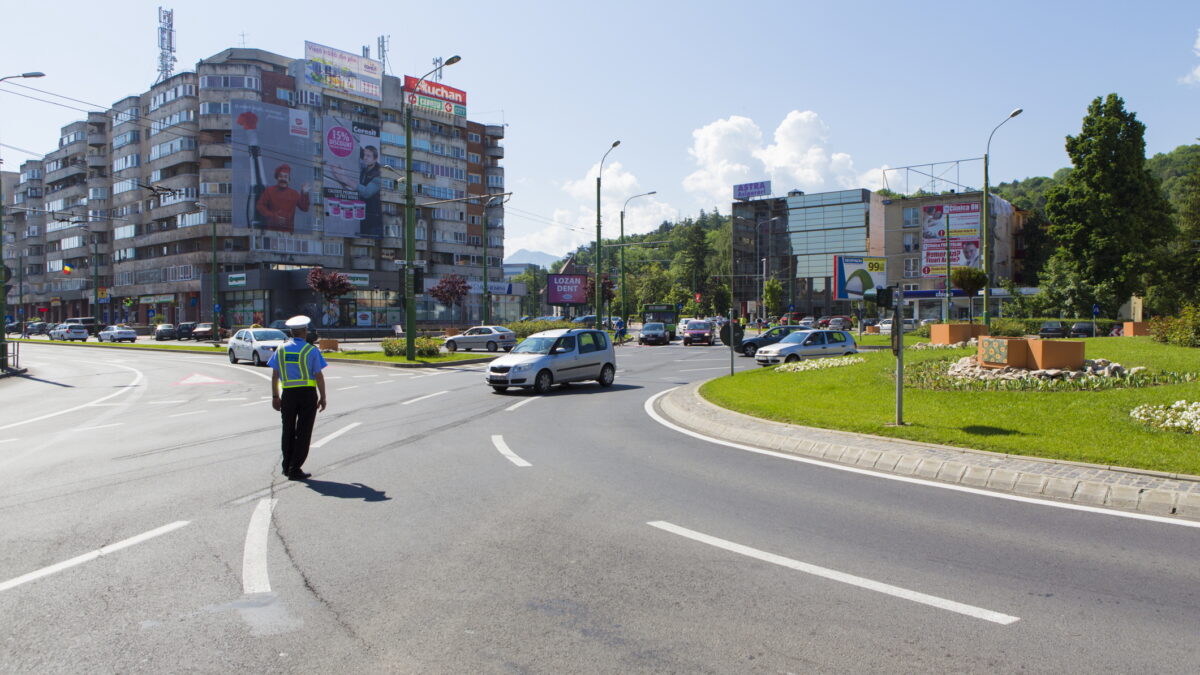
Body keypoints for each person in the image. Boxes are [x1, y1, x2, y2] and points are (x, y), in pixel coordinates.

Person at [268, 315, 328, 480]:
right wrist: (323, 397)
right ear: (305, 332)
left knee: (287, 430)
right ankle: (295, 468)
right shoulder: (311, 350)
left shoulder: (281, 350)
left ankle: (286, 466)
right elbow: (319, 376)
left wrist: (275, 396)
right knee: (303, 431)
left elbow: (274, 376)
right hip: (307, 395)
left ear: (291, 332)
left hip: (288, 395)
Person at [255, 164, 310, 232]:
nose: (283, 179)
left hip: (288, 233)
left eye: (285, 176)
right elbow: (259, 206)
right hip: (271, 231)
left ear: (288, 179)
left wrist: (304, 193)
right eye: (280, 176)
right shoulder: (269, 191)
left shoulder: (294, 194)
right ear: (277, 178)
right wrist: (273, 217)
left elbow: (305, 208)